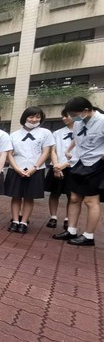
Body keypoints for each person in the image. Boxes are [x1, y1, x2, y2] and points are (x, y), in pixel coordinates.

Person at [53, 97, 104, 246]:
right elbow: (77, 138)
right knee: (74, 198)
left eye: (74, 114)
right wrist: (69, 150)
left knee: (90, 201)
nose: (72, 117)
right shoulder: (78, 123)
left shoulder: (102, 121)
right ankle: (71, 230)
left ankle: (88, 236)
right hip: (80, 163)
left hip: (97, 164)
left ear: (86, 110)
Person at [5, 107, 54, 234]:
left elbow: (46, 152)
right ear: (25, 117)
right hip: (16, 169)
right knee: (16, 197)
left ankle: (24, 222)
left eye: (37, 117)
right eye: (31, 117)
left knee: (28, 197)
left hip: (35, 169)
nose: (34, 120)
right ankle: (15, 220)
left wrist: (35, 168)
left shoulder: (45, 133)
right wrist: (16, 168)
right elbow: (9, 154)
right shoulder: (14, 135)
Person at [44, 109, 75, 229]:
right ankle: (53, 217)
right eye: (63, 116)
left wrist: (65, 165)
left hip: (73, 167)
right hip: (56, 166)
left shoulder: (83, 132)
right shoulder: (57, 133)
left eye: (66, 116)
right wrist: (56, 167)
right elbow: (53, 151)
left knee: (71, 195)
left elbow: (81, 153)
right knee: (54, 193)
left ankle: (68, 218)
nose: (63, 118)